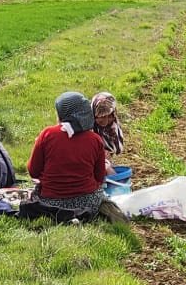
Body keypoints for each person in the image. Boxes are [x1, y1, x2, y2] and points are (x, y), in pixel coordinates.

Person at [26, 91, 108, 220]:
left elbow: (33, 172)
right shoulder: (95, 140)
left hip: (50, 203)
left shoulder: (48, 134)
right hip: (87, 203)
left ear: (63, 114)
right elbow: (100, 177)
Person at [91, 91, 124, 156]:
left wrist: (108, 152)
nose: (105, 122)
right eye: (102, 116)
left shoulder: (113, 126)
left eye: (109, 116)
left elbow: (116, 149)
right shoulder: (87, 129)